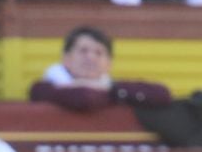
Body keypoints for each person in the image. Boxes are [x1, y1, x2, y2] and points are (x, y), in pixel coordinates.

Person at [28, 26, 172, 112]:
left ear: (108, 64)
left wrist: (110, 89)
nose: (91, 57)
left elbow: (163, 94)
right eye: (83, 51)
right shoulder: (44, 87)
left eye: (99, 53)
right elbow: (85, 98)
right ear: (66, 59)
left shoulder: (112, 87)